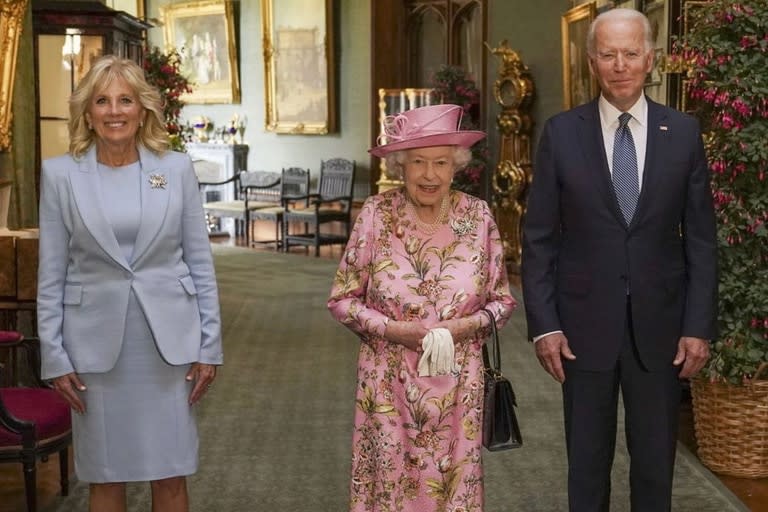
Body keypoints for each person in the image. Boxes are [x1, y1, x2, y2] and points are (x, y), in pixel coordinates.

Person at [521, 8, 717, 511]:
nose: (620, 64)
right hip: (581, 331)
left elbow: (700, 240)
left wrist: (698, 326)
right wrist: (544, 326)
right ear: (592, 62)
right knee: (586, 468)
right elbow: (539, 237)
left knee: (655, 468)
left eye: (631, 53)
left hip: (663, 330)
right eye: (608, 54)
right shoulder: (562, 134)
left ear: (650, 59)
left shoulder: (685, 133)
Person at [37, 55, 223, 512]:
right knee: (105, 476)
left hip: (168, 349)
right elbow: (52, 273)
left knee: (171, 473)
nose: (114, 111)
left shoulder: (174, 169)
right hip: (94, 353)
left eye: (125, 100)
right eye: (102, 101)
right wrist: (54, 355)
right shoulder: (60, 175)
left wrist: (209, 346)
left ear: (143, 109)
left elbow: (200, 262)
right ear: (87, 111)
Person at [328, 104, 517, 511]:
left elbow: (502, 302)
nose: (430, 175)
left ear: (456, 166)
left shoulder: (479, 216)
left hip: (459, 387)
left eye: (441, 163)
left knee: (451, 492)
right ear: (401, 166)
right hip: (387, 385)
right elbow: (342, 300)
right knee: (392, 492)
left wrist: (464, 327)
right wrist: (393, 330)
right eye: (418, 162)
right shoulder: (376, 215)